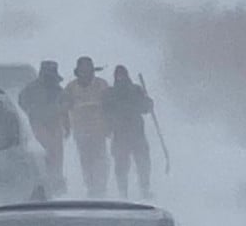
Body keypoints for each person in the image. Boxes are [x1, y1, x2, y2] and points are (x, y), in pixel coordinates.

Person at [61, 56, 110, 197]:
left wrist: (110, 126)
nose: (86, 74)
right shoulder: (70, 88)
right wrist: (67, 127)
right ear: (78, 72)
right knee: (86, 160)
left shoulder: (102, 85)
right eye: (83, 71)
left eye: (88, 71)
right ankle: (91, 186)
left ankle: (101, 186)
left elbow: (110, 107)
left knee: (100, 159)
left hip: (99, 130)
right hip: (80, 132)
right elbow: (64, 109)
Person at [18, 60, 70, 193]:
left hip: (55, 125)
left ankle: (57, 183)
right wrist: (31, 112)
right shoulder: (31, 89)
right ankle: (45, 183)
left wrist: (66, 125)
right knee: (42, 155)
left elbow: (65, 109)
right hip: (38, 125)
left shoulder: (59, 90)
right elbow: (22, 101)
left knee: (56, 156)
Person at [103, 65, 154, 199]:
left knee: (143, 163)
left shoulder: (136, 90)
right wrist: (108, 127)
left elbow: (145, 108)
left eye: (123, 76)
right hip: (119, 134)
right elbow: (105, 112)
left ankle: (144, 189)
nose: (120, 79)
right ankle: (123, 192)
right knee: (121, 165)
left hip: (137, 132)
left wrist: (148, 103)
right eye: (118, 76)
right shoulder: (110, 93)